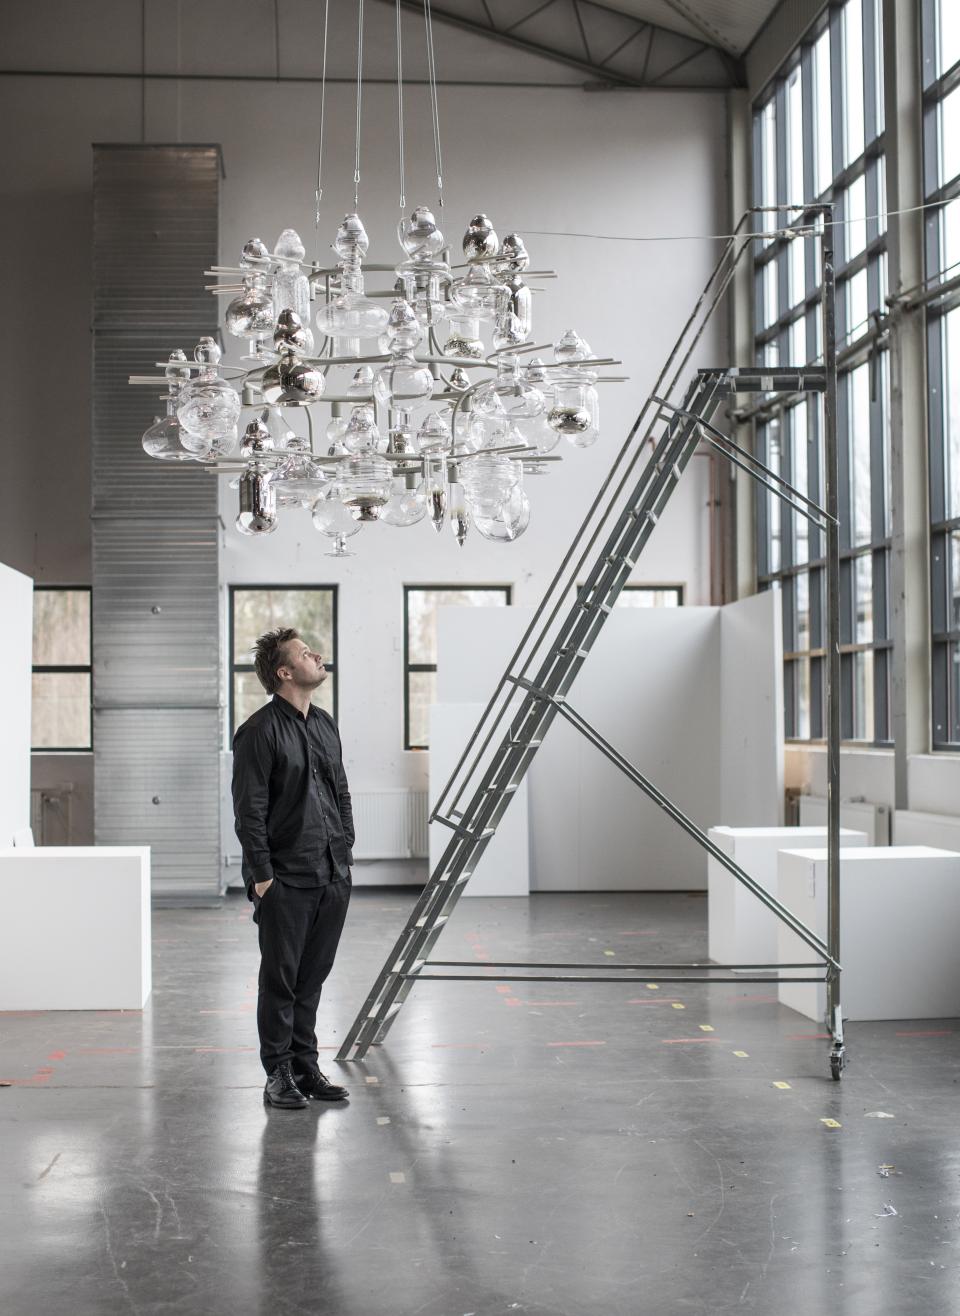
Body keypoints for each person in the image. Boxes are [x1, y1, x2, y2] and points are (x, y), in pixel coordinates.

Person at [232, 627, 354, 1109]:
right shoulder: (258, 732)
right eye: (305, 653)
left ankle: (306, 1067)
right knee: (280, 982)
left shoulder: (324, 723)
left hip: (332, 874)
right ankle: (278, 1074)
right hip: (285, 879)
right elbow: (249, 812)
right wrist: (264, 878)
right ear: (285, 672)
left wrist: (346, 849)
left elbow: (340, 790)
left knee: (312, 978)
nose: (316, 656)